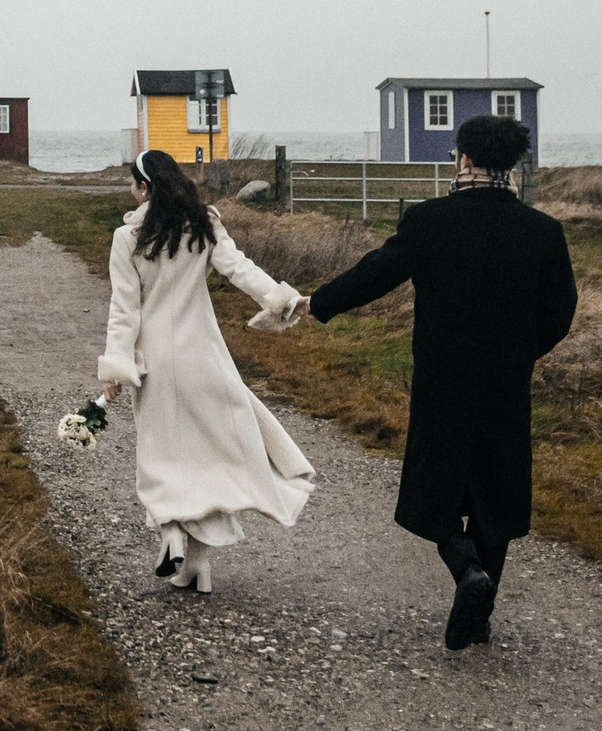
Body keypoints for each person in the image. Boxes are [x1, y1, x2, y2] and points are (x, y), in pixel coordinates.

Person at [308, 113, 577, 650]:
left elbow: (375, 273)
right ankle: (479, 614)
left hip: (442, 378)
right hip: (505, 382)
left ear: (465, 159)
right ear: (510, 165)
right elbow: (561, 310)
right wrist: (520, 353)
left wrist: (318, 304)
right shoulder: (543, 232)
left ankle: (466, 571)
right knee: (495, 493)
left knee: (433, 491)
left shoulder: (431, 220)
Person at [97, 149, 316, 595]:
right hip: (203, 354)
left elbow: (125, 311)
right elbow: (241, 271)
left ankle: (172, 530)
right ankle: (197, 567)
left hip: (155, 360)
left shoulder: (127, 238)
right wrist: (285, 301)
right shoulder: (203, 223)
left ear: (144, 188)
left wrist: (116, 368)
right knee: (209, 456)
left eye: (132, 184)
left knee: (161, 456)